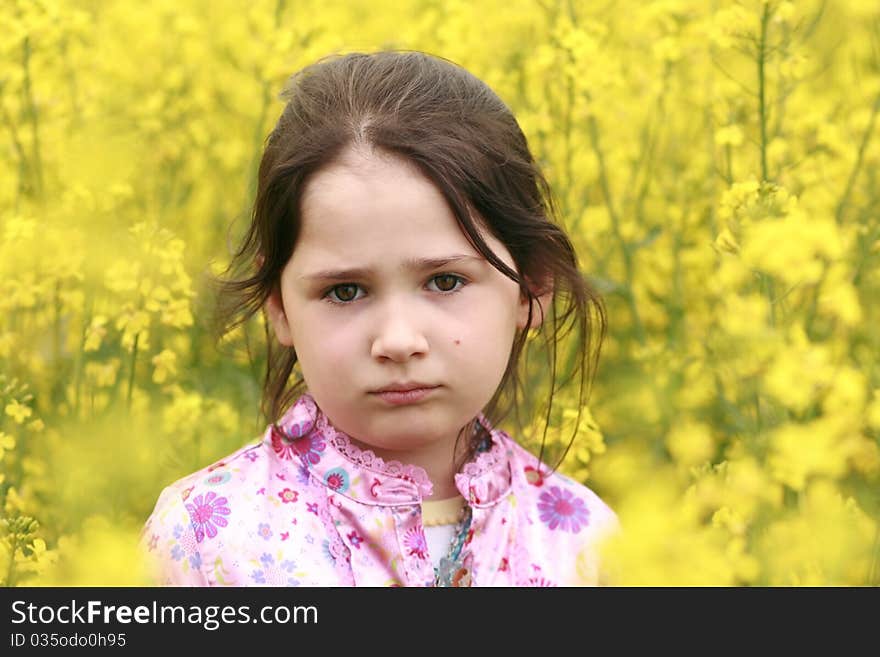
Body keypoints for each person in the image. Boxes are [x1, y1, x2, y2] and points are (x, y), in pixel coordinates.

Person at [140, 50, 618, 587]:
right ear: (279, 306)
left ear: (533, 285)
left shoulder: (584, 544)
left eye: (445, 282)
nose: (397, 341)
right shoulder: (205, 539)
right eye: (345, 291)